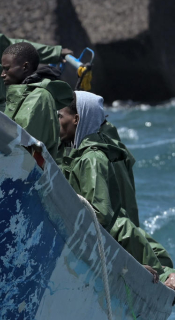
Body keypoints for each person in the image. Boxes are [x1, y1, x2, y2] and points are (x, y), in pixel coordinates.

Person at [59, 92, 175, 286]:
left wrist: (125, 261)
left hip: (118, 240)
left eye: (60, 116)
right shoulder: (79, 156)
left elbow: (100, 217)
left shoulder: (91, 159)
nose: (56, 122)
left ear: (76, 119)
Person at [2, 42, 74, 159]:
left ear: (25, 67)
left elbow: (24, 147)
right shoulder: (17, 95)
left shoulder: (39, 97)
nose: (2, 74)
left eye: (6, 69)